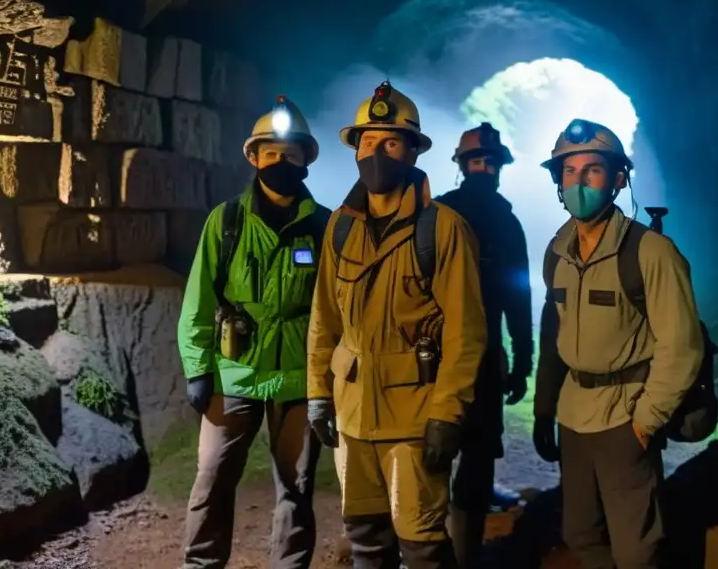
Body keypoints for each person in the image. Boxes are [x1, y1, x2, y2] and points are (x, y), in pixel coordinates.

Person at [306, 80, 487, 569]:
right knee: (365, 536)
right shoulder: (340, 226)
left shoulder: (442, 227)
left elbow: (466, 332)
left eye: (390, 143)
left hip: (413, 414)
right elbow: (324, 316)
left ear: (411, 152)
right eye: (368, 142)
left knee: (423, 543)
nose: (376, 153)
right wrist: (318, 392)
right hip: (352, 414)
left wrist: (447, 413)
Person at [532, 119, 704, 569]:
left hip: (625, 415)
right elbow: (552, 335)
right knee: (581, 534)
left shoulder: (649, 252)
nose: (579, 181)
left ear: (618, 179)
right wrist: (544, 409)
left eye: (592, 170)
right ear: (557, 180)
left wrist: (646, 421)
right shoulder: (557, 251)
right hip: (574, 416)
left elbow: (681, 345)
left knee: (636, 550)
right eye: (569, 172)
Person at [177, 96, 332, 569]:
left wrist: (327, 380)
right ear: (253, 157)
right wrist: (198, 367)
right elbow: (199, 299)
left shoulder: (325, 228)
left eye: (290, 153)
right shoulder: (226, 222)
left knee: (296, 486)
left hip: (297, 381)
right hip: (234, 374)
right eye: (271, 153)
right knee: (212, 479)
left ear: (305, 158)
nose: (281, 161)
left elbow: (335, 311)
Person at [435, 122, 533, 568]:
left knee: (451, 458)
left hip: (442, 356)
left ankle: (444, 553)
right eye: (481, 162)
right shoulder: (504, 222)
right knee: (469, 459)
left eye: (488, 163)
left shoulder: (435, 214)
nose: (485, 169)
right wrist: (523, 354)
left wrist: (522, 353)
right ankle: (458, 554)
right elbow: (518, 293)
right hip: (473, 355)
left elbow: (517, 292)